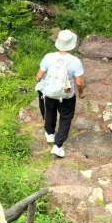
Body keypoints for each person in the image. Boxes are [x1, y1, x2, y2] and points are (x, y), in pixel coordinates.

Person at [35, 28, 86, 159]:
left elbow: (38, 76)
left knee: (50, 111)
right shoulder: (75, 61)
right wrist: (81, 93)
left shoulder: (48, 57)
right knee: (65, 118)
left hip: (50, 92)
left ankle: (50, 133)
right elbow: (79, 82)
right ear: (72, 44)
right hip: (66, 92)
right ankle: (57, 146)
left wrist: (49, 82)